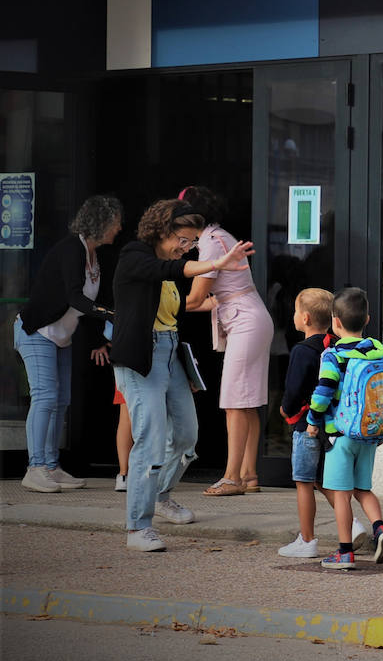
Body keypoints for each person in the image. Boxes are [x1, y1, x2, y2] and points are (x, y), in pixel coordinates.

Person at [111, 199, 252, 551]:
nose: (186, 247)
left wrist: (221, 300)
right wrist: (216, 263)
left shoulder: (169, 265)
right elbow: (166, 272)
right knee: (151, 438)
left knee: (188, 436)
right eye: (184, 239)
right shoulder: (134, 254)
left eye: (192, 242)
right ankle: (138, 527)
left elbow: (178, 304)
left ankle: (160, 496)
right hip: (142, 357)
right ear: (163, 230)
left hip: (171, 351)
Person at [14, 194, 122, 493]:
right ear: (101, 223)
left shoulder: (94, 255)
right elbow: (77, 298)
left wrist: (101, 339)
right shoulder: (71, 249)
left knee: (61, 401)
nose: (119, 227)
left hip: (61, 336)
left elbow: (88, 305)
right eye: (115, 222)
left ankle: (50, 466)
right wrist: (112, 315)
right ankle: (35, 468)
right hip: (37, 331)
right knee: (45, 397)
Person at [179, 187, 273, 497]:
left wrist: (159, 301)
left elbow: (193, 300)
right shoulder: (220, 236)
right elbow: (208, 299)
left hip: (244, 321)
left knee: (234, 402)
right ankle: (248, 474)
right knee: (247, 402)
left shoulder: (209, 244)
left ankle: (232, 477)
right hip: (252, 317)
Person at [306, 287, 383, 570]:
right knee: (363, 489)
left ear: (335, 322)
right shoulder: (376, 351)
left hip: (340, 435)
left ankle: (344, 552)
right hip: (369, 433)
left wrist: (312, 421)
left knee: (341, 493)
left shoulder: (333, 355)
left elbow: (323, 392)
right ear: (367, 319)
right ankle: (380, 529)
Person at [277, 288, 368, 558]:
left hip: (307, 424)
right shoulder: (333, 345)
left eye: (295, 311)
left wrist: (285, 409)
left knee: (304, 481)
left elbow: (293, 391)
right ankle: (351, 526)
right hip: (331, 423)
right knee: (324, 479)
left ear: (304, 318)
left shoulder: (302, 351)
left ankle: (307, 540)